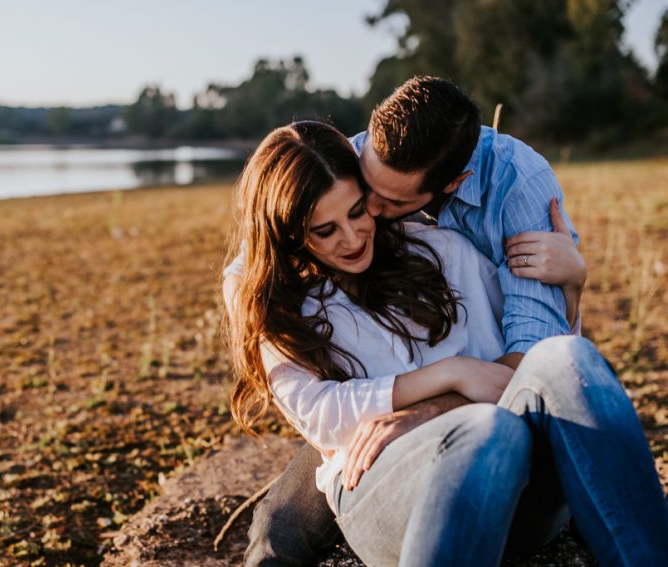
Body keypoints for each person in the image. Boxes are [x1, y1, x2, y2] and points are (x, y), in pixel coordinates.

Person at [224, 120, 668, 566]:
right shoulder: (283, 313)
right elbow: (321, 417)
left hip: (515, 488)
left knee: (566, 358)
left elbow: (530, 371)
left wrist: (570, 290)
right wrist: (451, 373)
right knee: (483, 431)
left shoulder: (441, 251)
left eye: (358, 212)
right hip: (381, 492)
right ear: (291, 232)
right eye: (326, 230)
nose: (353, 236)